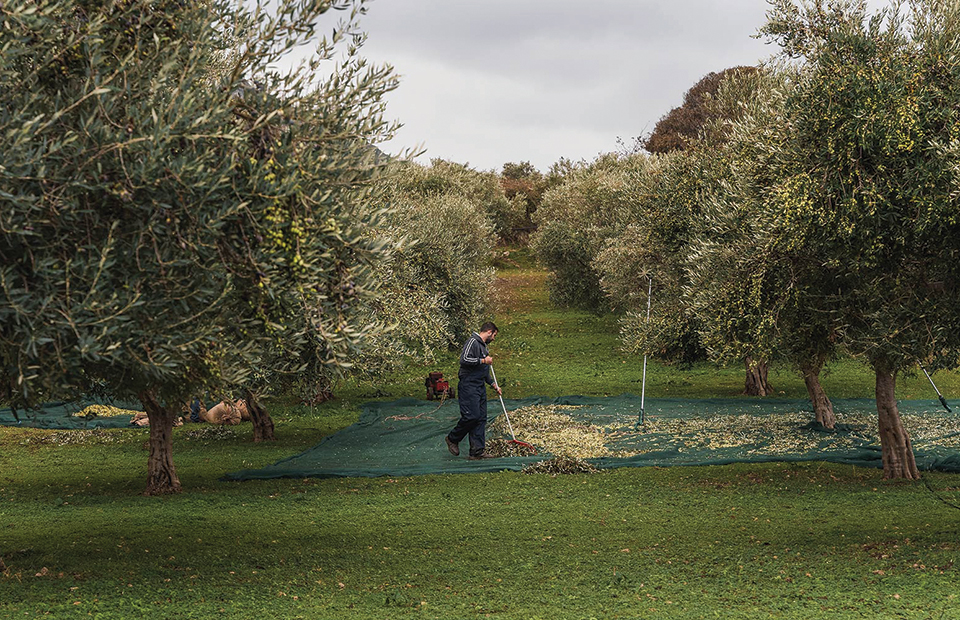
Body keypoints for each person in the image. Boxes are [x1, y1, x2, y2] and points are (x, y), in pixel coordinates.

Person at [445, 321, 502, 460]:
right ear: (489, 332)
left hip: (479, 386)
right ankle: (453, 438)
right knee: (472, 416)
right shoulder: (473, 342)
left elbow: (483, 371)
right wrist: (483, 361)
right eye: (494, 335)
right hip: (468, 385)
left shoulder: (484, 347)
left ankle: (477, 451)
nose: (494, 338)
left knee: (481, 418)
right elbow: (464, 359)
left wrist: (493, 384)